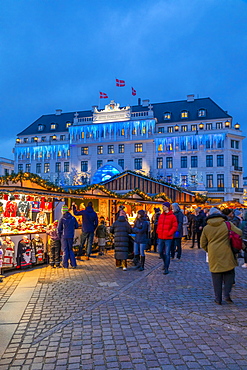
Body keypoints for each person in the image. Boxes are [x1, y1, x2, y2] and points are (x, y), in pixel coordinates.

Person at [200, 207, 242, 305]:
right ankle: (226, 294)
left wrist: (209, 250)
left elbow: (202, 243)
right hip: (227, 252)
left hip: (213, 254)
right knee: (229, 273)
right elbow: (239, 233)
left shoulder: (207, 228)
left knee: (216, 276)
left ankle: (218, 299)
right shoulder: (227, 224)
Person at [156, 202, 178, 275]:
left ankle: (166, 268)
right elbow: (159, 225)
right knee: (160, 251)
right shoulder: (161, 216)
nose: (163, 207)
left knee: (167, 253)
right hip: (161, 236)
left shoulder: (172, 216)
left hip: (168, 237)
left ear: (168, 207)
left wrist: (169, 233)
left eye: (164, 206)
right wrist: (158, 232)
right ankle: (165, 263)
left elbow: (174, 226)